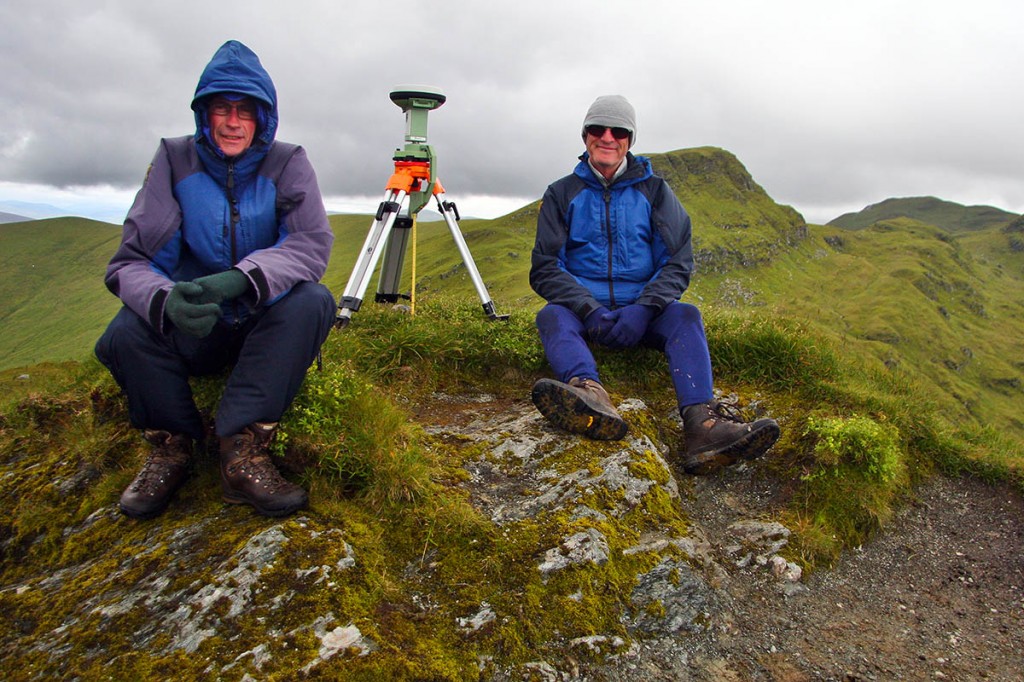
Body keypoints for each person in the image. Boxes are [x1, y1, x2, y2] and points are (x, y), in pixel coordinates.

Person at [95, 40, 336, 519]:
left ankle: (241, 451)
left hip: (258, 324)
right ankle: (172, 446)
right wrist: (168, 301)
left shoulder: (287, 162)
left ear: (263, 118)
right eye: (222, 109)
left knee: (313, 301)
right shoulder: (173, 159)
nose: (232, 122)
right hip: (193, 327)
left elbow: (309, 245)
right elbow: (130, 263)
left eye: (246, 111)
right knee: (123, 333)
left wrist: (243, 280)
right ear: (204, 115)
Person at [529, 95, 780, 474]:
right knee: (552, 316)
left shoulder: (656, 192)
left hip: (643, 312)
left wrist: (645, 308)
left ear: (630, 139)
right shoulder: (561, 194)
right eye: (598, 129)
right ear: (585, 136)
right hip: (584, 312)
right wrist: (588, 308)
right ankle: (589, 395)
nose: (608, 138)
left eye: (619, 131)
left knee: (685, 316)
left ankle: (703, 427)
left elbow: (678, 260)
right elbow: (546, 266)